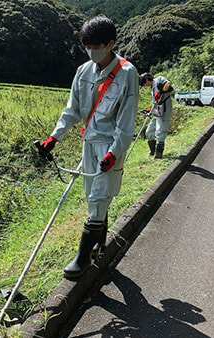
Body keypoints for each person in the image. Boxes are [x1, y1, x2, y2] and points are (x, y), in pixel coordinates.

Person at [39, 15, 139, 278]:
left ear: (110, 44)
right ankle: (99, 245)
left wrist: (114, 153)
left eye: (97, 46)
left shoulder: (128, 74)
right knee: (92, 197)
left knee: (98, 198)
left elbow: (126, 123)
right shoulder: (83, 71)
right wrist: (54, 137)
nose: (92, 52)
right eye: (88, 47)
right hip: (89, 142)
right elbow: (72, 110)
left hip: (109, 145)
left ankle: (81, 260)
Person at [139, 73, 174, 158]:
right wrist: (148, 111)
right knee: (149, 132)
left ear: (147, 80)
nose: (144, 86)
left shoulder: (158, 80)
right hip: (157, 112)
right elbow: (155, 103)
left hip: (164, 111)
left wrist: (161, 90)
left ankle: (158, 155)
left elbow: (168, 85)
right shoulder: (152, 88)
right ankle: (152, 151)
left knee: (160, 132)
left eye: (144, 84)